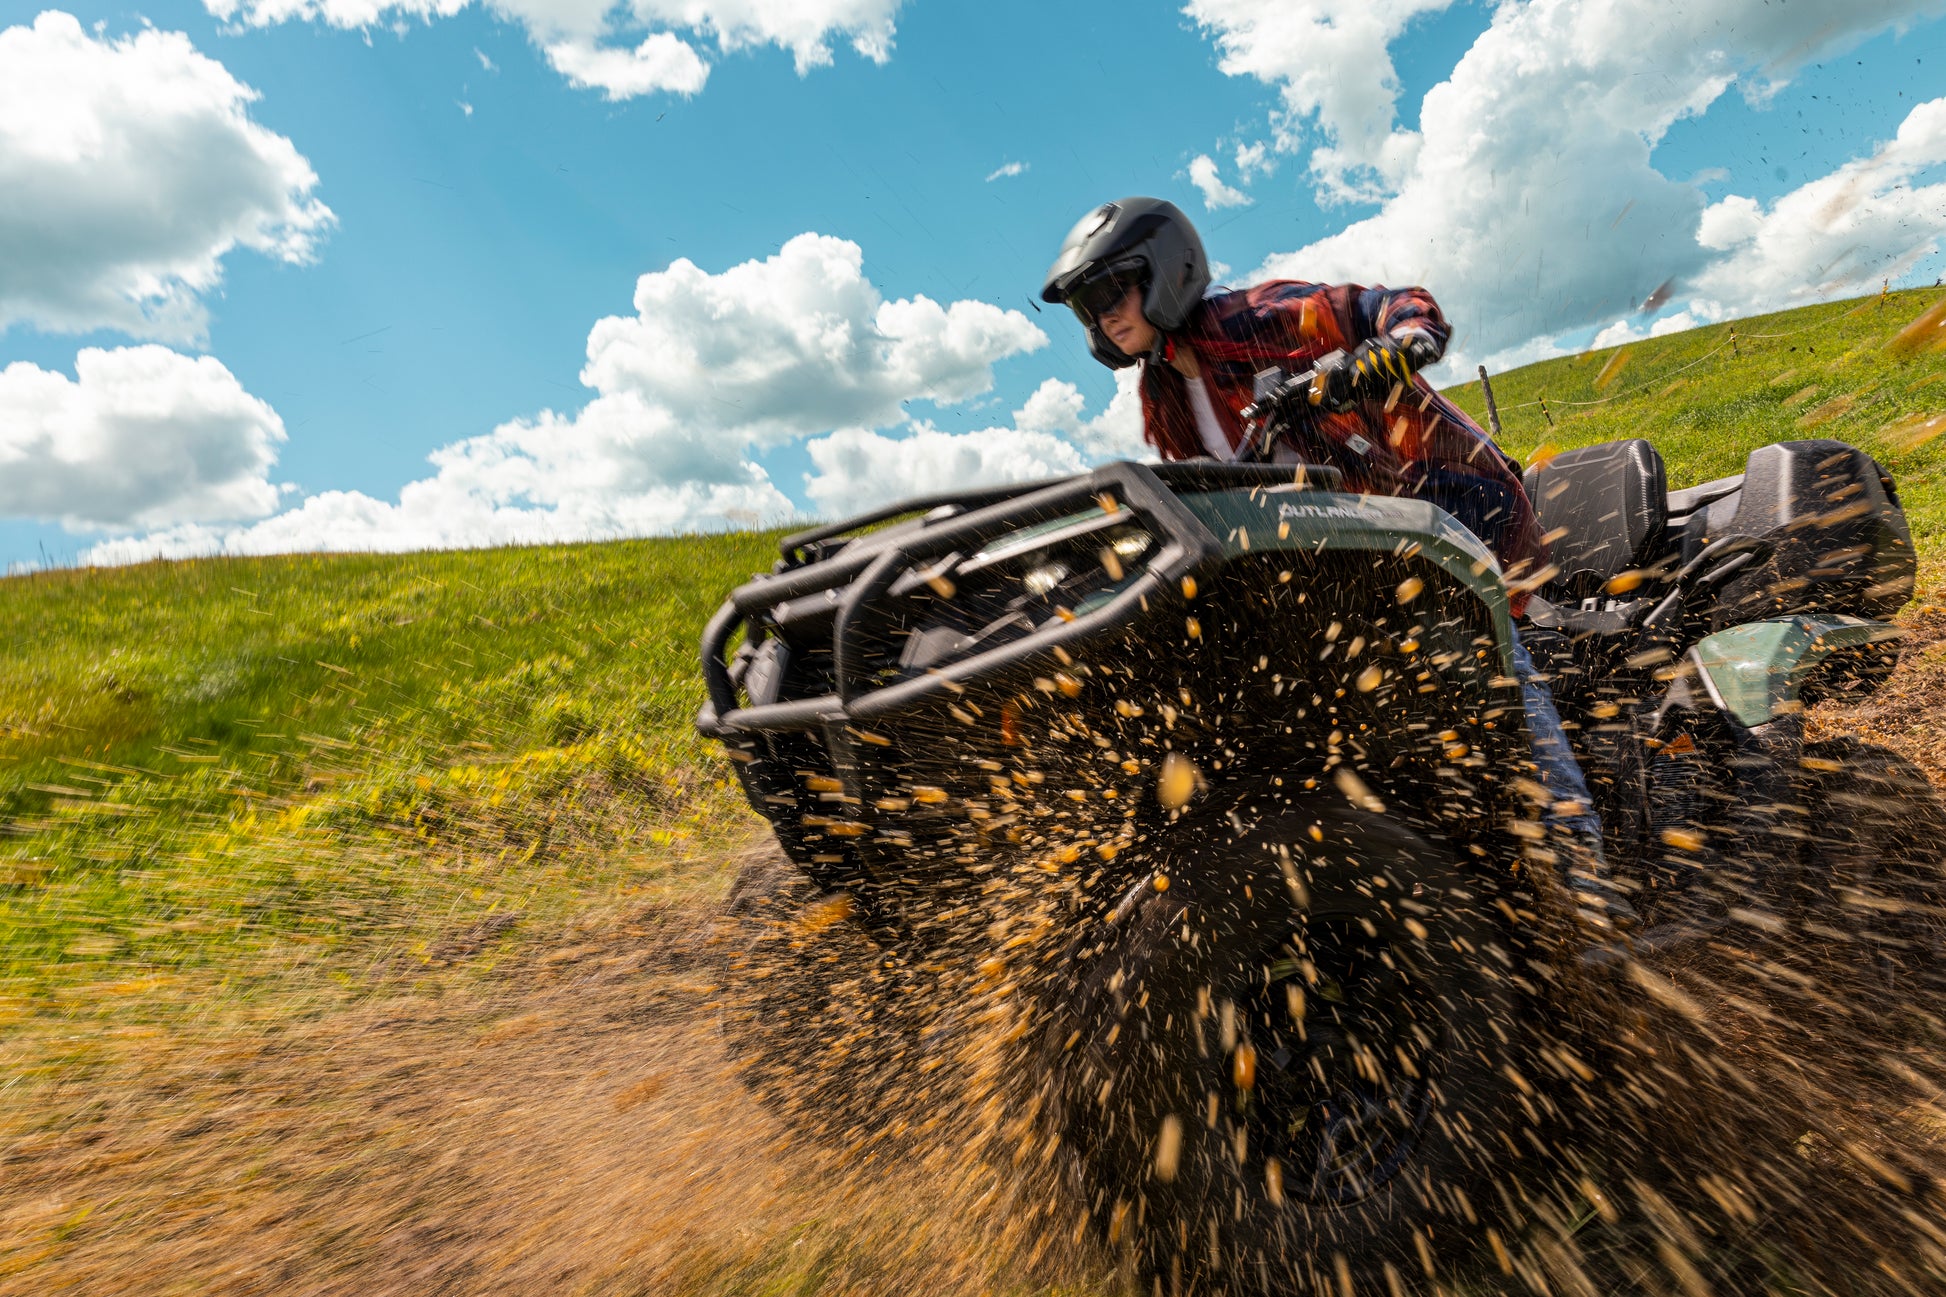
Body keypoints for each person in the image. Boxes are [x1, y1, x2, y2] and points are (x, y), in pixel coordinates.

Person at [1041, 196, 1632, 929]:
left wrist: (1400, 343)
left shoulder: (1252, 320)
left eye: (1107, 293)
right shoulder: (1163, 399)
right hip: (1336, 583)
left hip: (1439, 523)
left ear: (1163, 273)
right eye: (1084, 310)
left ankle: (1592, 911)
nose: (1101, 319)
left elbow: (1384, 306)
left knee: (1510, 703)